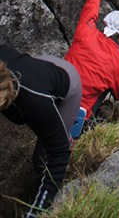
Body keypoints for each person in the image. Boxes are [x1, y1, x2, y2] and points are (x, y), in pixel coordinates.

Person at [0, 46, 82, 216]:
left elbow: (58, 154)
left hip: (66, 86)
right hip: (40, 64)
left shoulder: (34, 101)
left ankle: (64, 131)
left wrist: (36, 211)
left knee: (42, 159)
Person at [65, 0, 119, 122]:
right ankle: (86, 125)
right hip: (76, 111)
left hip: (56, 91)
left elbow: (90, 10)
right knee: (108, 87)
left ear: (105, 23)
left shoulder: (86, 31)